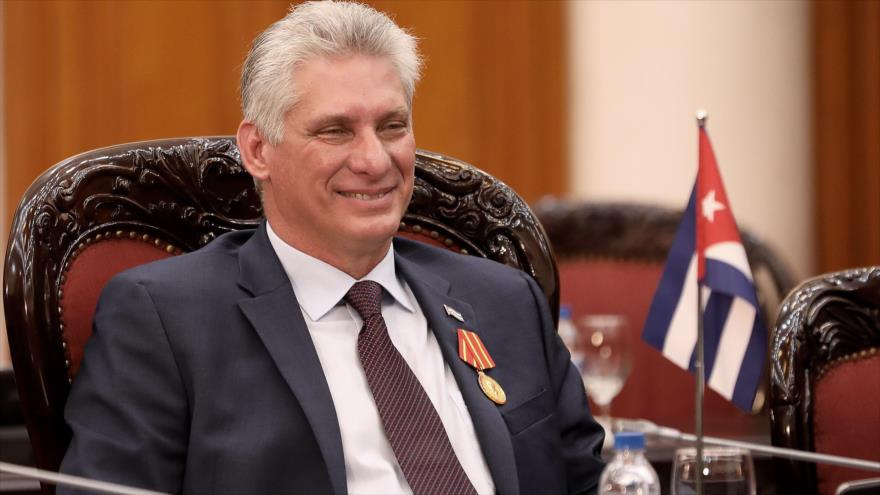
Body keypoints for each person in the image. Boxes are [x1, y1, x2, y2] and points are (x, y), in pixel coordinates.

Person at [59, 2, 605, 494]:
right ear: (258, 150)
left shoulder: (504, 300)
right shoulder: (165, 320)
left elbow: (588, 481)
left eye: (392, 126)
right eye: (335, 131)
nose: (374, 160)